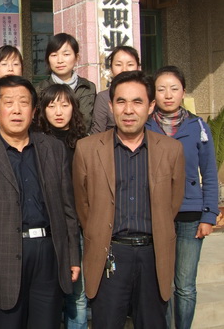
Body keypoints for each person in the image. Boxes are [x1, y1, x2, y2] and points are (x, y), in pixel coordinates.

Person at [0, 75, 80, 329]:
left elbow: (67, 209)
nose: (16, 110)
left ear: (34, 110)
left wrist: (72, 256)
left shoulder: (53, 149)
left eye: (24, 103)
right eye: (8, 103)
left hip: (48, 254)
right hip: (2, 260)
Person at [73, 70, 186, 329]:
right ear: (111, 106)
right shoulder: (87, 149)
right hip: (109, 254)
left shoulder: (171, 150)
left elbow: (173, 202)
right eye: (121, 101)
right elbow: (83, 204)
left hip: (153, 254)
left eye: (137, 102)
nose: (128, 110)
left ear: (151, 106)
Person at [145, 66, 219, 329]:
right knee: (162, 283)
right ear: (153, 93)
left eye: (174, 89)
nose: (168, 95)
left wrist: (209, 215)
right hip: (155, 214)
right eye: (161, 89)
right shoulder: (145, 126)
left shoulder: (198, 127)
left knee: (185, 285)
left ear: (183, 92)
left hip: (190, 214)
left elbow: (209, 173)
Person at [37, 84, 87, 329]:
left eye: (65, 105)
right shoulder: (36, 143)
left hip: (78, 226)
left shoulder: (85, 143)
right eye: (51, 105)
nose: (58, 111)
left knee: (77, 295)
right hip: (49, 226)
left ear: (73, 108)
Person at [36, 33, 96, 132]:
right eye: (54, 55)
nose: (60, 60)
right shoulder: (40, 89)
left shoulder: (88, 88)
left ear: (76, 57)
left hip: (83, 140)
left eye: (66, 54)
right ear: (47, 59)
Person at [91, 46, 140, 134]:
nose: (124, 69)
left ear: (138, 67)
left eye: (130, 65)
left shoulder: (146, 94)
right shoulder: (103, 97)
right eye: (118, 65)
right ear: (111, 68)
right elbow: (97, 132)